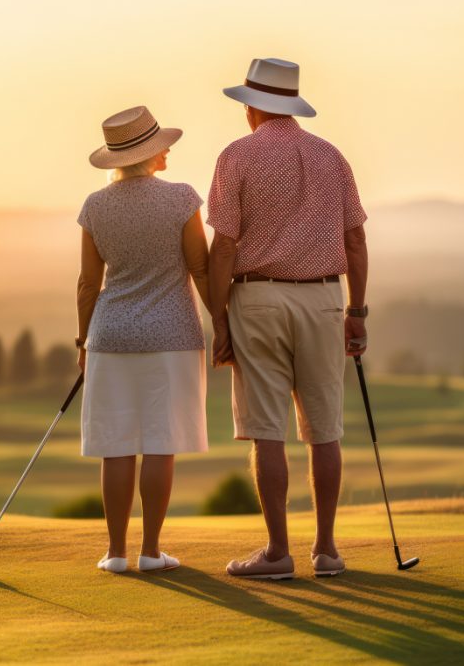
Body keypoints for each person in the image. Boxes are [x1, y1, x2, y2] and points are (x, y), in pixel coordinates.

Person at [207, 58, 369, 579]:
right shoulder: (331, 156)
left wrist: (218, 320)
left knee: (266, 431)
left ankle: (278, 553)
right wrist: (357, 312)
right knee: (324, 430)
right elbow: (356, 239)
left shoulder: (236, 156)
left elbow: (224, 246)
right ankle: (326, 551)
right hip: (323, 299)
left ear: (254, 106)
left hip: (255, 299)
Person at [76, 105, 210, 573]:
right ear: (151, 154)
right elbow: (200, 267)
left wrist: (82, 342)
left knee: (116, 445)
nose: (168, 149)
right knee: (159, 442)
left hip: (110, 335)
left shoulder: (95, 206)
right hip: (172, 334)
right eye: (162, 144)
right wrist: (226, 323)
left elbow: (88, 284)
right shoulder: (181, 198)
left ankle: (115, 553)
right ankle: (151, 552)